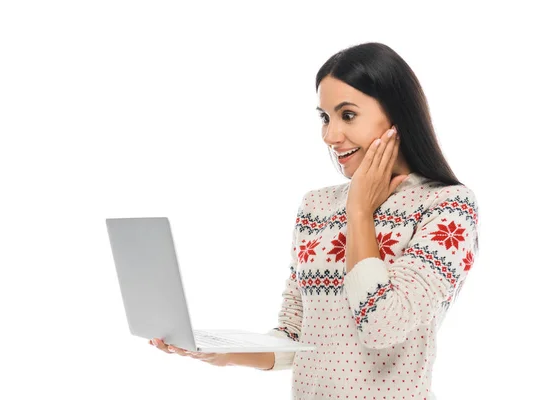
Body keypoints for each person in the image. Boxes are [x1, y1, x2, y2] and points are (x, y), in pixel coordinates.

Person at [149, 42, 480, 400]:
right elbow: (295, 335)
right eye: (324, 117)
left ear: (397, 116)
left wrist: (359, 211)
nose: (330, 136)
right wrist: (220, 351)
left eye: (347, 115)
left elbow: (382, 325)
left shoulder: (447, 207)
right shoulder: (317, 206)